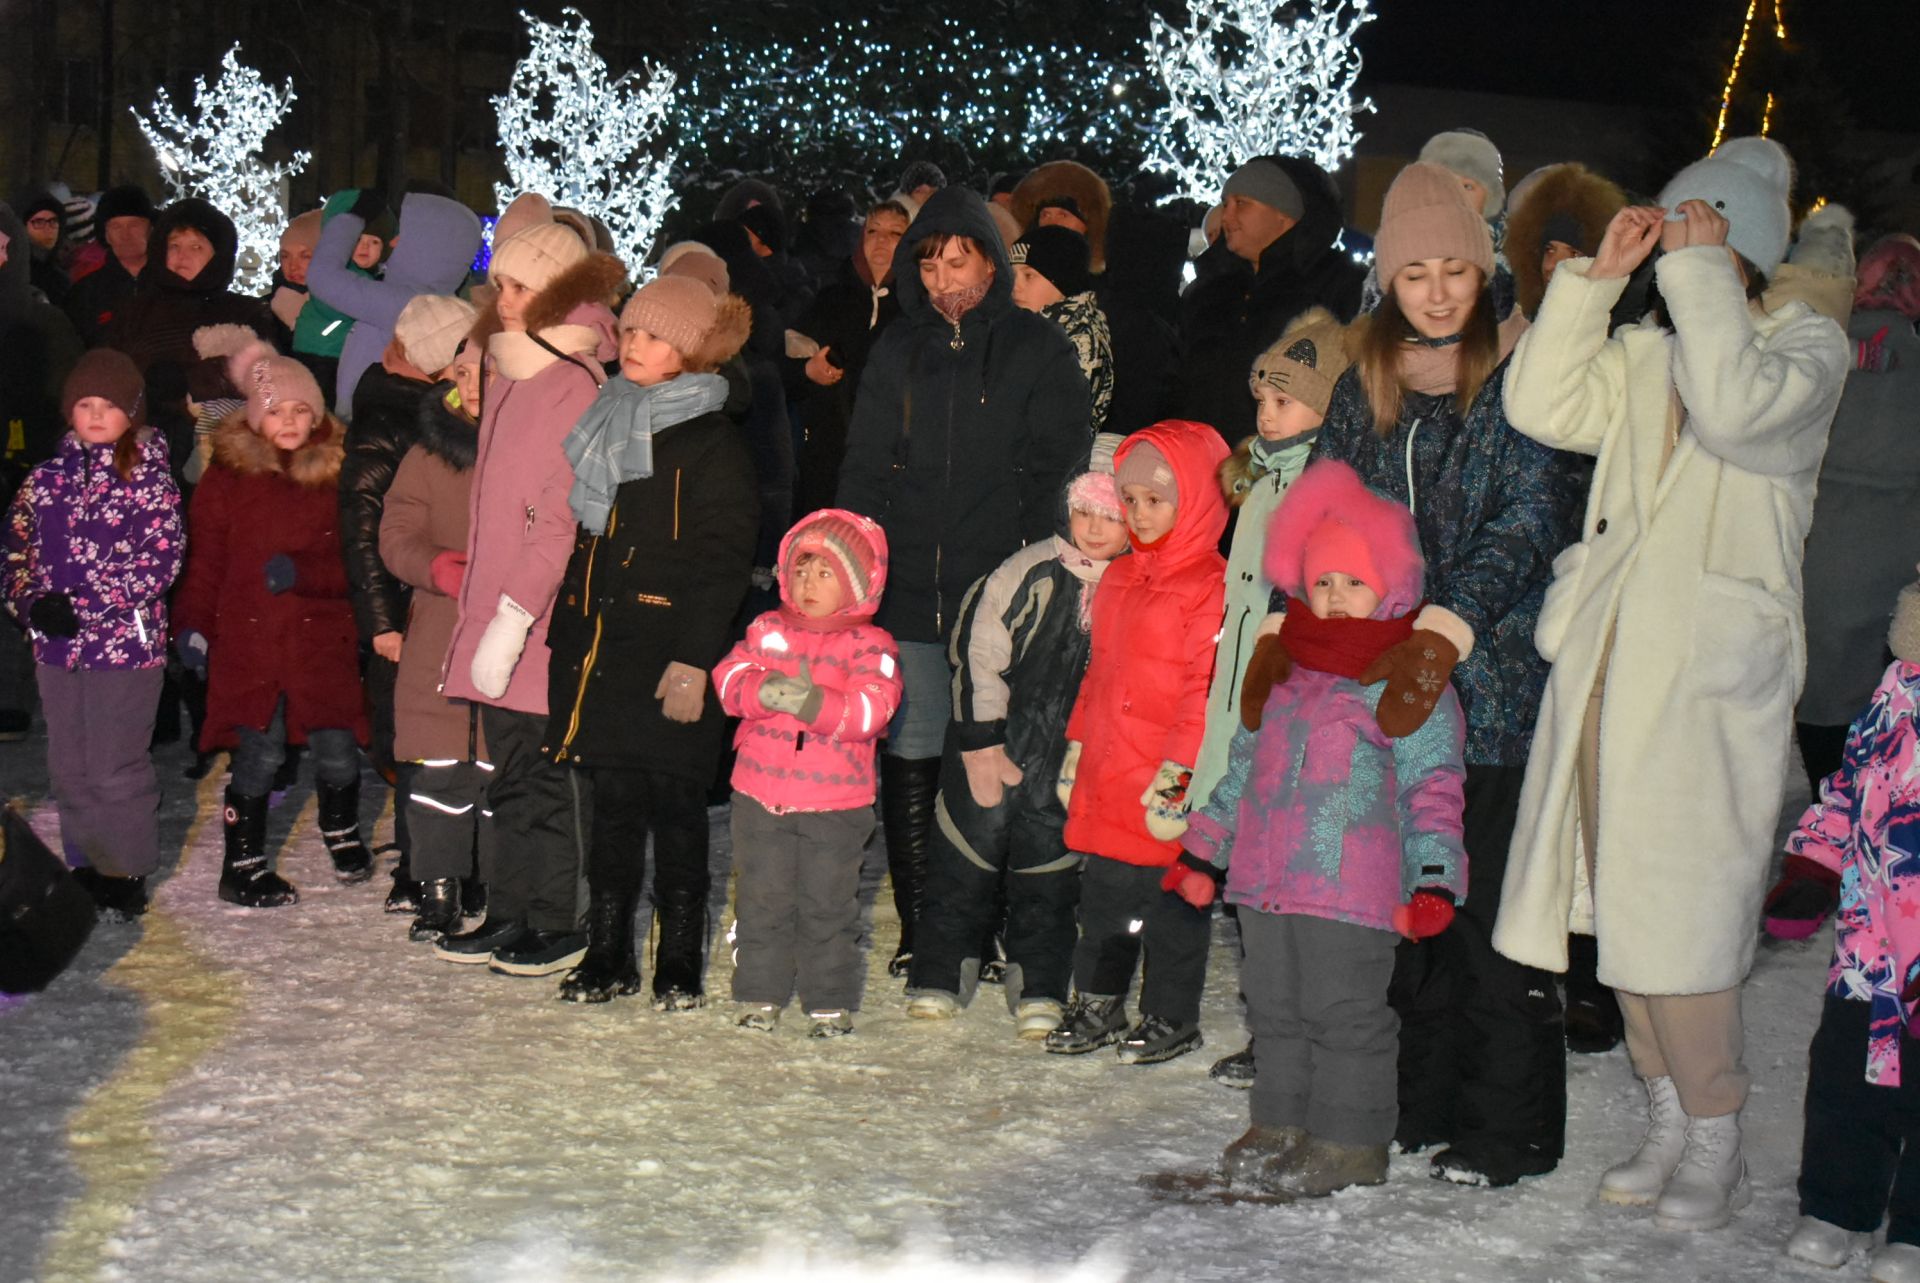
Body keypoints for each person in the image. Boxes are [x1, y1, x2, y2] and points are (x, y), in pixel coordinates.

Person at [1495, 137, 1848, 1229]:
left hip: (1706, 684)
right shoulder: (1651, 352)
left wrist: (1697, 277)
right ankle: (1663, 1115)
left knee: (1689, 922)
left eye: (1700, 228)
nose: (1677, 245)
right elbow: (1540, 406)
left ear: (1736, 245)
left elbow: (1736, 411)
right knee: (1622, 906)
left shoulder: (1806, 349)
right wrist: (1595, 282)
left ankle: (1717, 1127)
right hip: (1611, 667)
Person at [1289, 161, 1583, 1188]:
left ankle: (1504, 1128)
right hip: (1382, 697)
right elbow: (1327, 514)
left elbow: (1530, 512)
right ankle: (1412, 1099)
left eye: (1457, 267)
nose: (1440, 290)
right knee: (1402, 907)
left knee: (1489, 922)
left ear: (1483, 267)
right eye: (1417, 271)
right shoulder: (1362, 378)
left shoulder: (1519, 374)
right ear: (1390, 280)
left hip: (1490, 688)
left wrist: (1449, 625)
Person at [1182, 459, 1466, 1197]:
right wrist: (1202, 851)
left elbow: (1433, 786)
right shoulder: (1285, 671)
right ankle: (1280, 1120)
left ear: (1393, 586)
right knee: (1273, 1007)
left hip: (1352, 887)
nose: (1335, 597)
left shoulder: (1404, 679)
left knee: (1344, 1015)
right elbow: (1242, 768)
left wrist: (1434, 877)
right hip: (1265, 882)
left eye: (1354, 580)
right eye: (1323, 581)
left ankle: (1349, 1139)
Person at [837, 186, 1091, 980]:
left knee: (995, 760)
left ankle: (994, 924)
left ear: (989, 257)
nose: (946, 278)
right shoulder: (896, 350)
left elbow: (1060, 469)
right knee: (911, 759)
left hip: (1003, 597)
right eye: (931, 262)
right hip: (910, 590)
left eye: (960, 258)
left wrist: (1041, 574)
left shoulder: (1036, 348)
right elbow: (865, 467)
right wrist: (854, 565)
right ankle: (928, 928)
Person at [542, 274, 758, 1008]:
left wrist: (696, 658)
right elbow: (591, 538)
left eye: (656, 336)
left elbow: (722, 559)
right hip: (608, 650)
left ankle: (678, 961)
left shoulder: (713, 443)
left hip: (669, 656)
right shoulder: (613, 414)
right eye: (631, 330)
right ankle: (607, 951)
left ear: (693, 354)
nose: (634, 344)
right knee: (613, 812)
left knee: (677, 815)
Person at [432, 214, 623, 977]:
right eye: (499, 283)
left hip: (540, 616)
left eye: (519, 286)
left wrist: (514, 616)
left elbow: (558, 516)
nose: (501, 298)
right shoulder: (513, 368)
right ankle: (512, 907)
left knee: (549, 773)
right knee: (509, 771)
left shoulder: (572, 381)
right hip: (497, 603)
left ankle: (558, 916)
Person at [906, 442, 1128, 1036]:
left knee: (1049, 873)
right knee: (965, 858)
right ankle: (939, 972)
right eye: (1085, 512)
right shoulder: (1028, 570)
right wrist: (980, 742)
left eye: (1112, 515)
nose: (1095, 527)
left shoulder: (1133, 588)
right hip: (996, 744)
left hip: (1069, 759)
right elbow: (979, 653)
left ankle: (1039, 983)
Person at [1189, 307, 1354, 1087]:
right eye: (1262, 397)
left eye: (1284, 400)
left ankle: (1298, 1030)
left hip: (1285, 696)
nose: (1266, 412)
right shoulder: (1256, 475)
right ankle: (1269, 1027)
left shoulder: (1327, 484)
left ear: (1327, 406)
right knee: (1247, 872)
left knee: (1282, 873)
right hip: (1238, 697)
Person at [1048, 419, 1229, 1065]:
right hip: (1110, 768)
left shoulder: (1210, 584)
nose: (1139, 514)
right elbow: (1099, 672)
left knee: (1170, 905)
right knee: (1104, 900)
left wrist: (1179, 779)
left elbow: (1201, 691)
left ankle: (1169, 1013)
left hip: (1163, 781)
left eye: (1156, 500)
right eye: (1131, 500)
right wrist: (1076, 746)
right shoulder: (1121, 576)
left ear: (1196, 501)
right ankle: (1099, 999)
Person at [172, 345, 374, 907]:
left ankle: (341, 828)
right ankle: (243, 861)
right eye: (276, 409)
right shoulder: (228, 478)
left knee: (335, 743)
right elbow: (206, 560)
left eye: (300, 410)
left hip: (319, 637)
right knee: (257, 750)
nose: (289, 420)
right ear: (255, 417)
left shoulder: (336, 476)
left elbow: (358, 562)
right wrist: (193, 627)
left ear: (318, 417)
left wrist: (307, 571)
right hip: (251, 639)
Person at [1, 349, 183, 919]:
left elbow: (159, 561)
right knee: (70, 767)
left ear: (131, 412)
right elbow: (14, 550)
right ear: (69, 412)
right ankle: (87, 862)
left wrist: (86, 605)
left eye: (108, 405)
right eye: (85, 404)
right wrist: (31, 602)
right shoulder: (45, 481)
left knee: (114, 765)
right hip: (57, 648)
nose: (97, 415)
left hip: (124, 649)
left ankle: (124, 869)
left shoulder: (148, 481)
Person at [1774, 582, 1920, 1280]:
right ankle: (1837, 1205)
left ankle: (1914, 1227)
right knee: (1847, 1077)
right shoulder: (1892, 697)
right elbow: (1846, 789)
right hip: (1870, 952)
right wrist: (1813, 862)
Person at [716, 509, 899, 1037]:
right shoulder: (767, 629)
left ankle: (828, 998)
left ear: (856, 584)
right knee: (761, 900)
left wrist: (817, 703)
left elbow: (874, 707)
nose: (807, 583)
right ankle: (758, 992)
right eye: (800, 570)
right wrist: (758, 690)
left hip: (834, 807)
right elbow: (729, 675)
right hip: (759, 794)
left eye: (824, 574)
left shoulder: (872, 645)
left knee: (827, 905)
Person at [341, 292, 478, 912]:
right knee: (418, 744)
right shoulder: (397, 423)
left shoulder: (413, 410)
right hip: (408, 606)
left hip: (425, 602)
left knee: (438, 742)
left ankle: (440, 868)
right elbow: (366, 528)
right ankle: (418, 871)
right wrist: (382, 622)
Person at [1791, 234, 1920, 798]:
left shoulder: (1820, 349)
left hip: (1818, 542)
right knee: (1882, 683)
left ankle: (1827, 804)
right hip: (1897, 549)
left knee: (1819, 685)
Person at [377, 335, 490, 942]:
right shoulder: (427, 452)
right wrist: (434, 565)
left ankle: (494, 882)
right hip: (442, 627)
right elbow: (395, 529)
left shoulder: (533, 447)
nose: (472, 386)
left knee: (500, 766)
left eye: (487, 372)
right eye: (464, 371)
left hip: (512, 627)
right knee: (441, 766)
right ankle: (438, 885)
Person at [1171, 155, 1367, 446]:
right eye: (1225, 204)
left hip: (1292, 469)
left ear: (1284, 213)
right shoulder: (1209, 290)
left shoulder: (1340, 284)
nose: (1227, 217)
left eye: (1242, 203)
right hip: (1204, 465)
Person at [103, 198, 275, 477]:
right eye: (174, 246)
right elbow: (108, 376)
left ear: (217, 254)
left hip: (218, 453)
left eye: (196, 247)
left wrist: (194, 383)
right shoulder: (134, 311)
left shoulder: (247, 313)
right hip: (140, 451)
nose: (183, 256)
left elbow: (267, 387)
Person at [306, 184, 483, 417]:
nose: (392, 243)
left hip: (367, 425)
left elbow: (323, 277)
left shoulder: (405, 304)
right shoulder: (451, 308)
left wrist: (350, 218)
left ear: (427, 247)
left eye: (405, 237)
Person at [785, 200, 907, 515]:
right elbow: (784, 369)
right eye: (873, 231)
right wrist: (807, 370)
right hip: (827, 460)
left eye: (895, 234)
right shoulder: (830, 299)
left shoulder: (916, 309)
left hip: (892, 464)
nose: (881, 241)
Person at [292, 189, 397, 407]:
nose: (365, 247)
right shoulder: (338, 276)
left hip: (337, 355)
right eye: (357, 239)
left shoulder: (373, 278)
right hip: (322, 354)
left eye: (374, 242)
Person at [1010, 226, 1112, 433]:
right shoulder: (1033, 327)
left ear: (1061, 278)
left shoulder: (1077, 337)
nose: (1016, 286)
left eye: (1029, 275)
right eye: (1012, 275)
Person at [64, 185, 155, 346]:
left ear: (150, 229)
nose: (126, 235)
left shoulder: (170, 284)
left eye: (134, 225)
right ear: (105, 234)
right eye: (116, 226)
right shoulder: (84, 294)